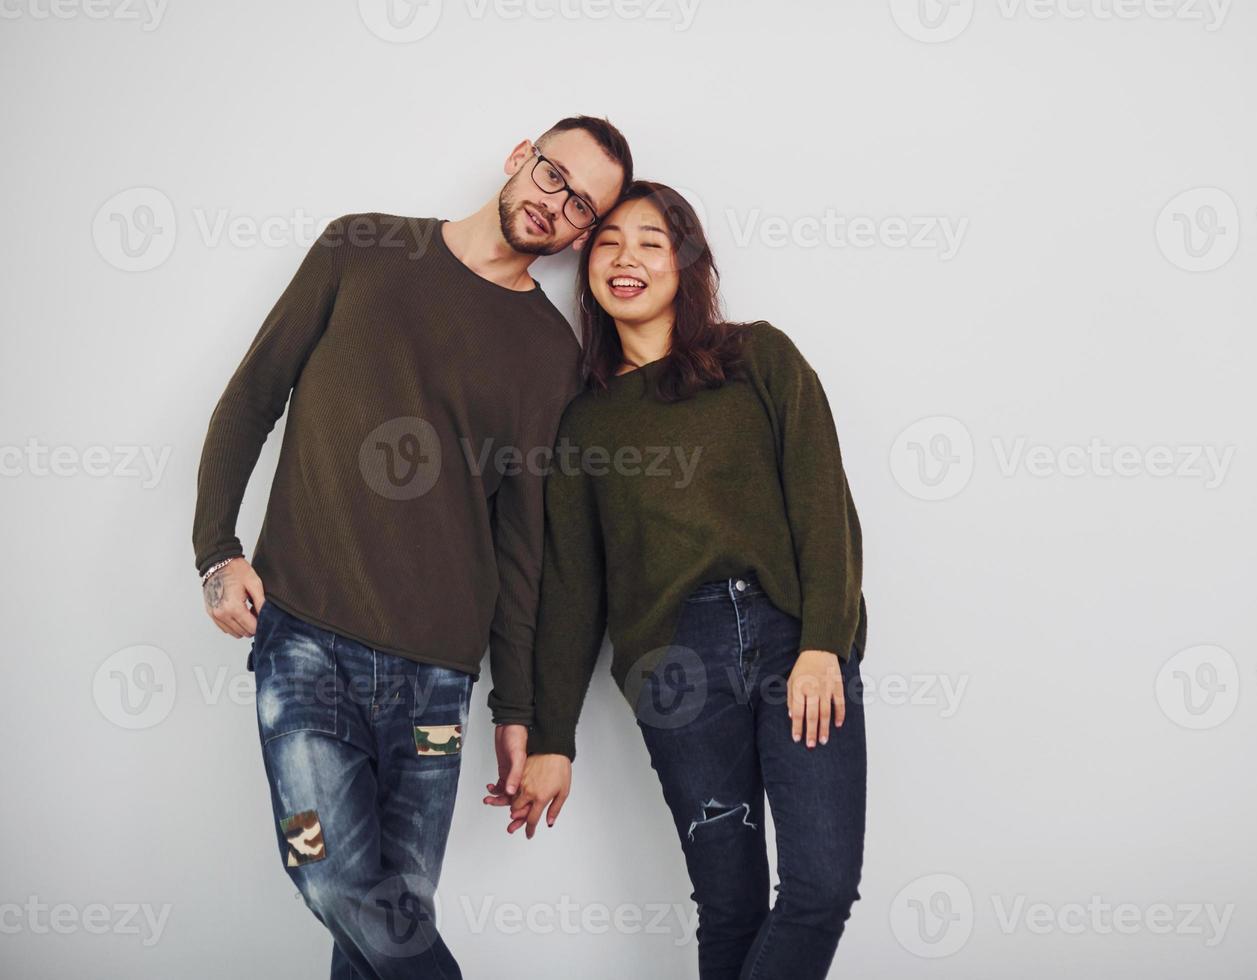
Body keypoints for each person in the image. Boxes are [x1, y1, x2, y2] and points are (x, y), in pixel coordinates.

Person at [192, 116, 632, 979]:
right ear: (519, 158)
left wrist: (516, 707)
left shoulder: (551, 353)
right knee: (333, 878)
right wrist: (216, 549)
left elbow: (523, 546)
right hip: (305, 638)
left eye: (581, 206)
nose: (557, 206)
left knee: (385, 929)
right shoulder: (362, 246)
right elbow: (252, 397)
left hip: (437, 676)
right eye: (553, 177)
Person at [501, 181, 869, 980]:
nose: (625, 258)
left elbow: (824, 506)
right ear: (588, 269)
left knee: (821, 887)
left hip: (790, 640)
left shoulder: (759, 358)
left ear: (686, 264)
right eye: (606, 243)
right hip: (674, 670)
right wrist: (552, 738)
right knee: (729, 906)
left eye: (651, 242)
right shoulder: (586, 423)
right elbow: (570, 593)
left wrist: (823, 645)